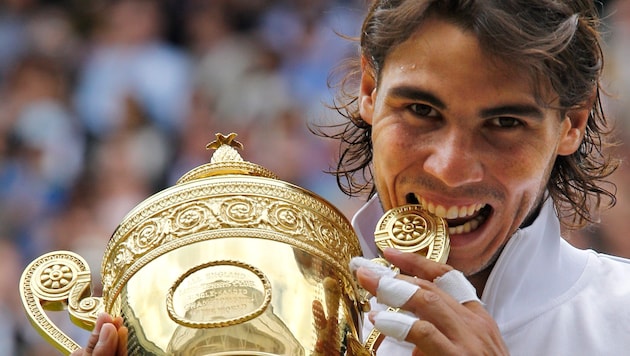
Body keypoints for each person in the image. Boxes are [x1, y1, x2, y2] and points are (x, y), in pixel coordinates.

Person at [72, 0, 630, 355]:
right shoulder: (271, 328)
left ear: (572, 125)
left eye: (504, 123)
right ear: (368, 90)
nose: (450, 167)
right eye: (420, 112)